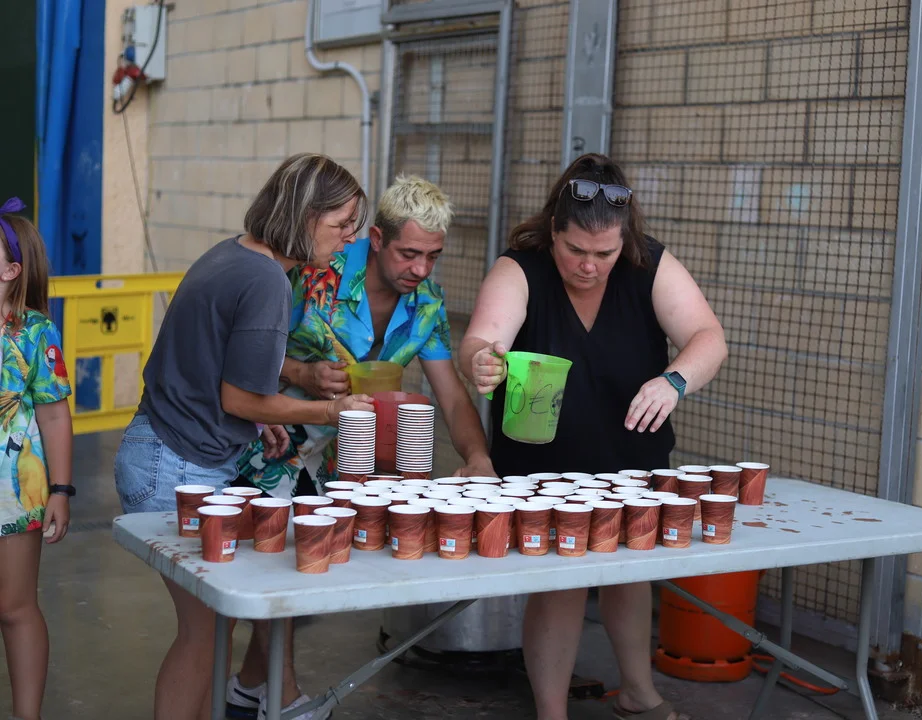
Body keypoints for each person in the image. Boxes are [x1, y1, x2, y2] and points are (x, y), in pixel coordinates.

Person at [459, 154, 727, 720]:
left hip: (630, 460)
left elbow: (708, 336)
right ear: (553, 231)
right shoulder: (521, 268)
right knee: (561, 582)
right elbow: (482, 337)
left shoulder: (648, 263)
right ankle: (551, 712)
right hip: (543, 468)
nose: (588, 265)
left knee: (630, 572)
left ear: (624, 240)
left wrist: (675, 380)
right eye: (575, 250)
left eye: (604, 254)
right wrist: (482, 359)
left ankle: (638, 693)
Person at [113, 154, 372, 720]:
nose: (350, 238)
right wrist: (331, 410)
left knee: (211, 627)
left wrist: (260, 417)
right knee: (204, 632)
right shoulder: (265, 279)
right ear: (304, 216)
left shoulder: (234, 254)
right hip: (175, 463)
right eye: (342, 224)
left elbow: (216, 374)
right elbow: (237, 398)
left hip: (164, 451)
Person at [228, 175, 495, 719]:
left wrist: (478, 457)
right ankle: (285, 700)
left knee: (301, 569)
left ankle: (249, 687)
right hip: (268, 441)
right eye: (409, 253)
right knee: (281, 571)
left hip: (343, 459)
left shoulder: (426, 304)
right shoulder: (313, 271)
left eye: (433, 256)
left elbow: (451, 395)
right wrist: (301, 371)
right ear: (376, 238)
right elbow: (239, 349)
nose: (420, 269)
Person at [0, 198, 74, 720]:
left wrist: (61, 490)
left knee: (14, 606)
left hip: (14, 490)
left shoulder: (35, 333)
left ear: (10, 271)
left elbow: (53, 415)